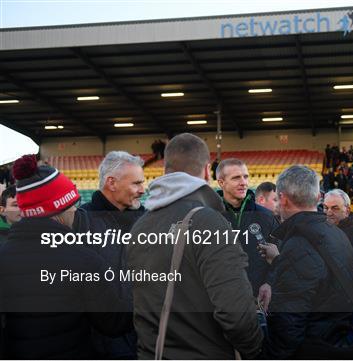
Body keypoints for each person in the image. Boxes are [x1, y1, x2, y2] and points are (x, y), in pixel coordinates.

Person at [127, 133, 263, 359]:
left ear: (165, 170)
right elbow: (236, 315)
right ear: (208, 171)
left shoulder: (140, 226)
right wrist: (254, 348)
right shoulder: (208, 222)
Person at [0, 155, 131, 359]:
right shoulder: (83, 259)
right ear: (58, 208)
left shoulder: (4, 255)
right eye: (72, 204)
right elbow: (115, 323)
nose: (75, 209)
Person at [258, 165, 353, 359]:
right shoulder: (337, 233)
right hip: (336, 340)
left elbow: (288, 328)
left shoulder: (298, 244)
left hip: (314, 347)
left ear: (283, 199)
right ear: (319, 197)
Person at [74, 151, 145, 359]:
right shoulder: (81, 223)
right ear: (111, 183)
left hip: (143, 340)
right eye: (136, 184)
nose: (143, 190)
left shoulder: (147, 221)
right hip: (95, 345)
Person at [216, 158, 279, 304]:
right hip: (217, 302)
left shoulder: (266, 216)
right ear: (221, 182)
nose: (243, 182)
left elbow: (280, 255)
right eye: (236, 178)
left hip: (257, 300)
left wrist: (269, 282)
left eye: (245, 176)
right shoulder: (208, 216)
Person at [323, 189, 353, 259]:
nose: (329, 213)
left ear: (347, 211)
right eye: (325, 208)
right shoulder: (319, 231)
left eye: (335, 208)